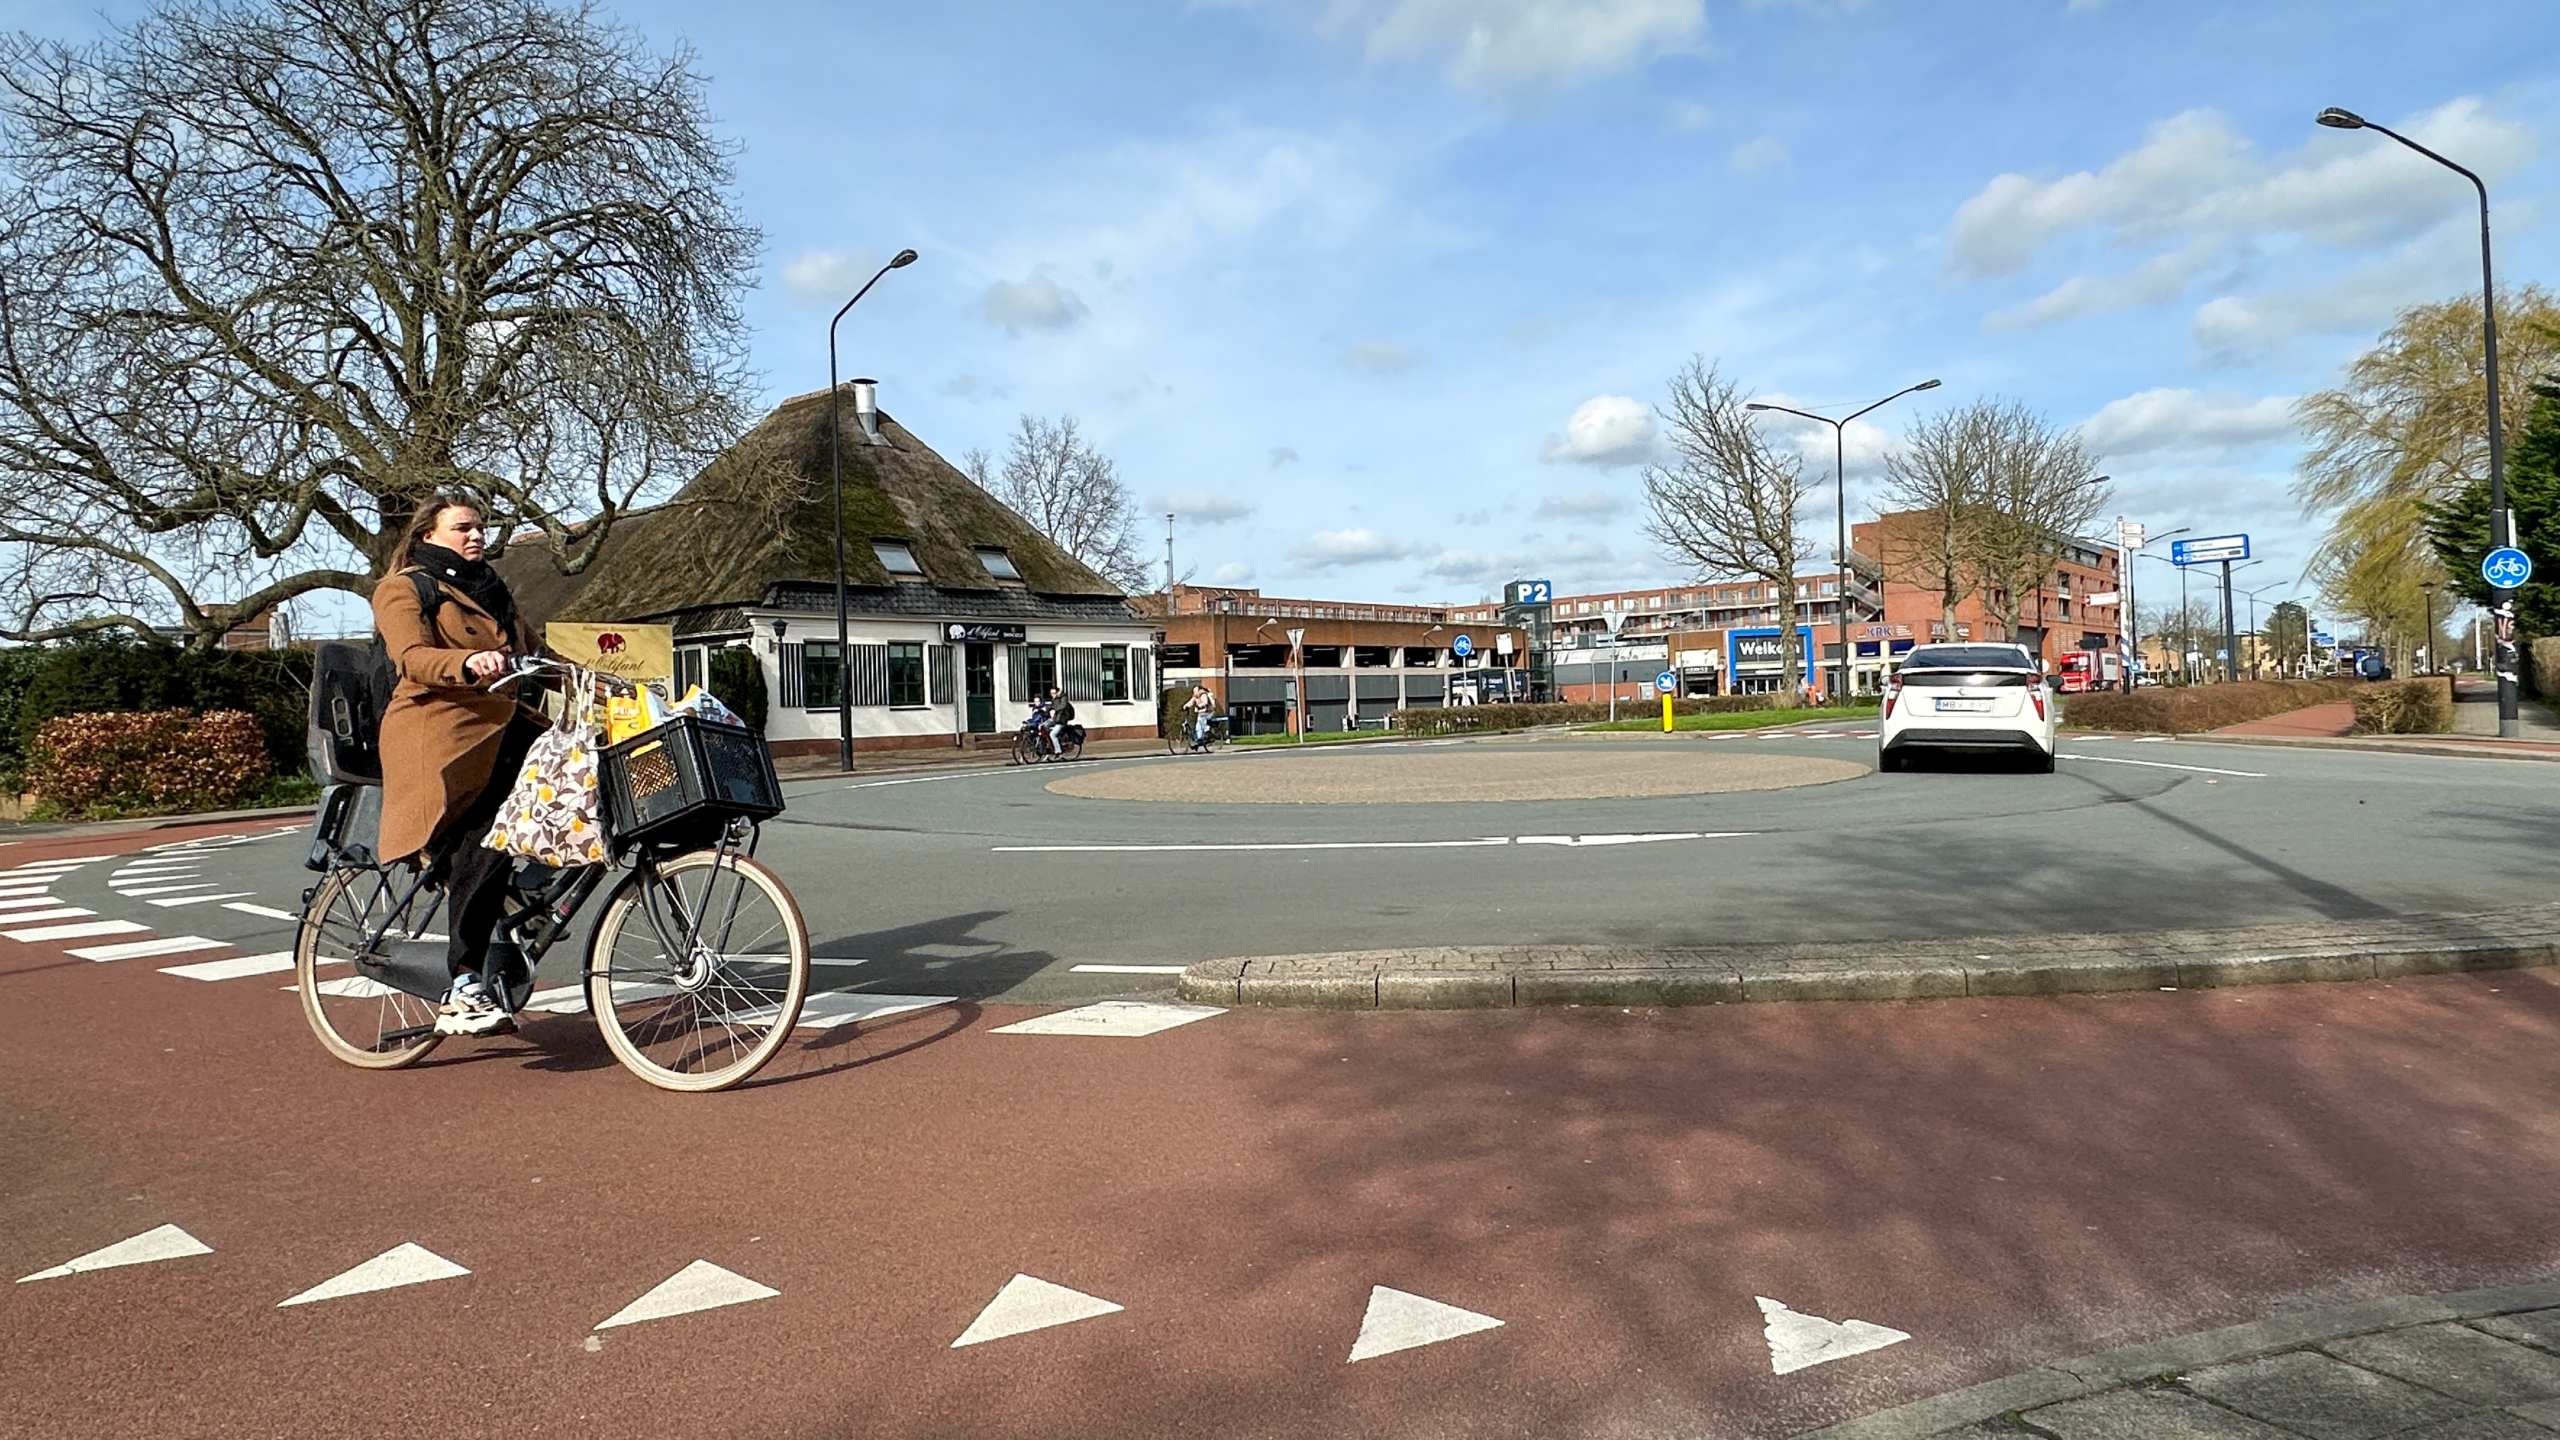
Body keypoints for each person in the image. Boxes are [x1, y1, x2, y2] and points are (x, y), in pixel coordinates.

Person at [372, 493, 544, 1037]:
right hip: (439, 735)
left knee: (576, 777)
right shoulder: (404, 587)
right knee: (486, 836)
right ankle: (464, 985)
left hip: (501, 726)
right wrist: (468, 661)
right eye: (464, 528)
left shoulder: (493, 592)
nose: (477, 536)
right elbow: (411, 657)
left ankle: (525, 889)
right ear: (428, 534)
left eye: (481, 528)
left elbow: (543, 655)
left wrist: (613, 687)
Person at [1046, 685, 1077, 755]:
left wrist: (1055, 711)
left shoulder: (1063, 698)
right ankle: (1050, 745)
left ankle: (1058, 751)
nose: (1052, 695)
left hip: (1061, 720)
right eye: (1051, 693)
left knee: (1053, 734)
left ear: (1057, 693)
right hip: (1055, 719)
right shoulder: (1054, 699)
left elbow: (1063, 706)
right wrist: (1047, 710)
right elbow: (1051, 707)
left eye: (1054, 693)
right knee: (1044, 726)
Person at [1183, 683, 1216, 747]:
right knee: (1198, 727)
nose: (1194, 692)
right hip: (1201, 713)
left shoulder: (1203, 695)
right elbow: (1191, 702)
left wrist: (1200, 706)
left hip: (1208, 712)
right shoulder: (1195, 697)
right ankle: (1199, 739)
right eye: (1194, 691)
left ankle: (1208, 731)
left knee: (1202, 721)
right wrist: (1185, 706)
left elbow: (1205, 702)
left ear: (1199, 691)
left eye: (1195, 691)